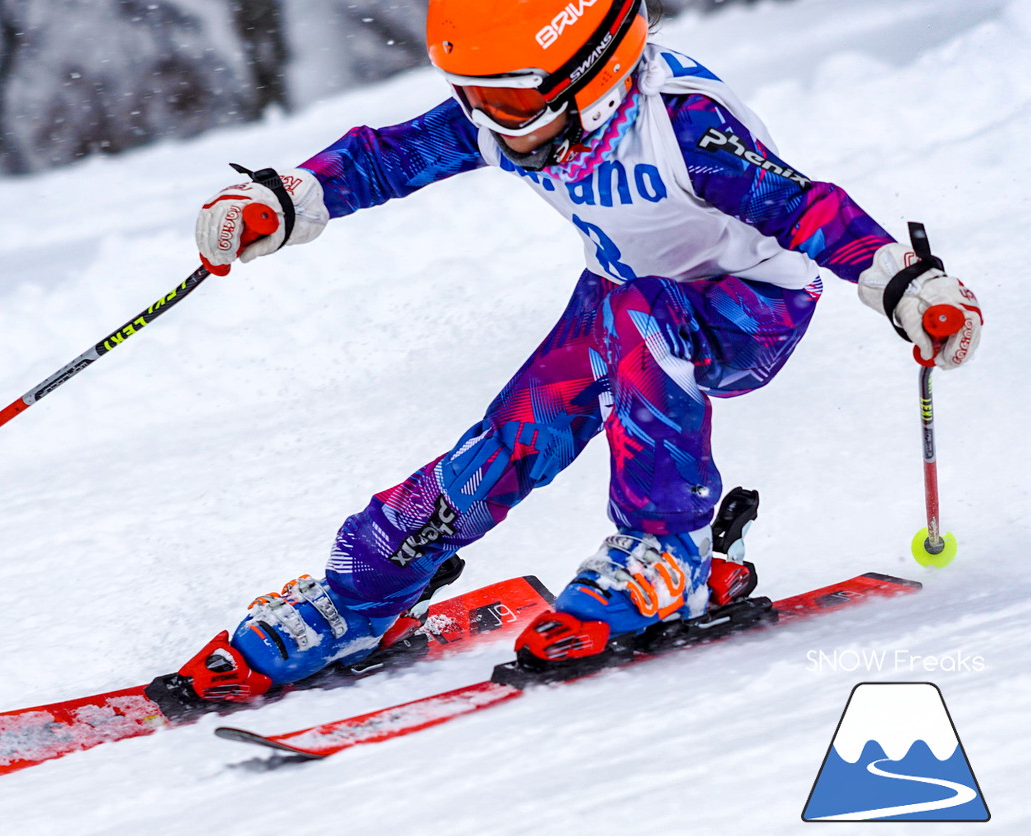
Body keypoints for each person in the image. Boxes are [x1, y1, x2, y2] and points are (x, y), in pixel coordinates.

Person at [173, 0, 983, 701]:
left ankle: (669, 552)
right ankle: (366, 590)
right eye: (472, 97)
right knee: (515, 434)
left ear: (592, 74)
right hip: (628, 295)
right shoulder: (521, 120)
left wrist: (908, 286)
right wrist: (281, 201)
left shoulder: (685, 126)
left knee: (639, 312)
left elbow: (808, 209)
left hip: (751, 310)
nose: (490, 120)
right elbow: (386, 157)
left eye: (508, 99)